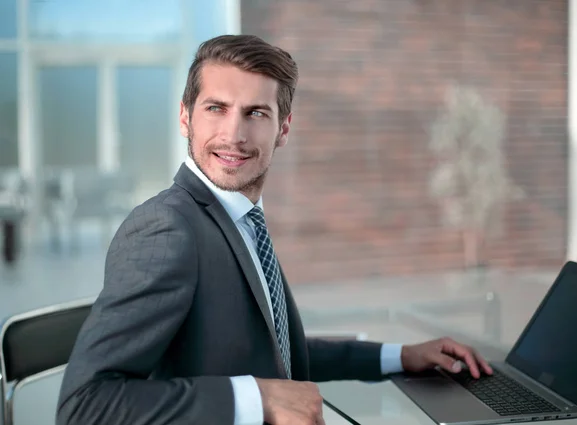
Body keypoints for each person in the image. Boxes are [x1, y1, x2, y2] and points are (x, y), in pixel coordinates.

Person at [56, 34, 492, 425]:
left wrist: (400, 356)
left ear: (282, 129)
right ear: (186, 118)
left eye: (255, 113)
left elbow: (276, 350)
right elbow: (85, 406)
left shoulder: (240, 219)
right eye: (216, 109)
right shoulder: (166, 229)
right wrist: (258, 398)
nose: (234, 133)